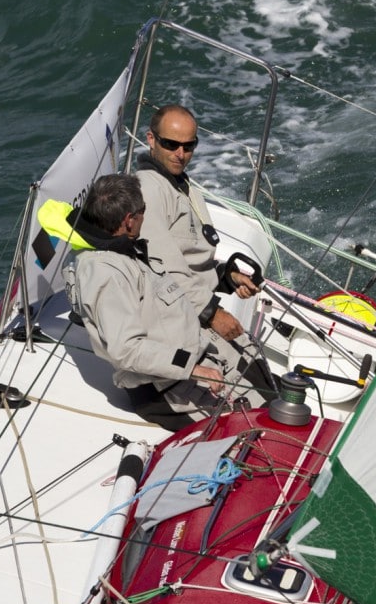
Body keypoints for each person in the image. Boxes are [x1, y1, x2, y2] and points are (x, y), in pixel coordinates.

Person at [38, 173, 264, 431]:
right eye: (143, 211)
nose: (146, 217)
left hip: (195, 360)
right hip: (167, 388)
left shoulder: (122, 248)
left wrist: (222, 279)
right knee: (254, 430)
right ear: (129, 220)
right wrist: (193, 367)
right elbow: (126, 349)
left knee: (270, 395)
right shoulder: (105, 273)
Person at [136, 104, 258, 341]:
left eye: (188, 146)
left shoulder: (182, 185)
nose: (180, 154)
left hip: (192, 307)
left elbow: (188, 261)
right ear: (151, 139)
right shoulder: (148, 190)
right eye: (171, 144)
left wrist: (227, 277)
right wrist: (212, 314)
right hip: (171, 318)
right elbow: (161, 269)